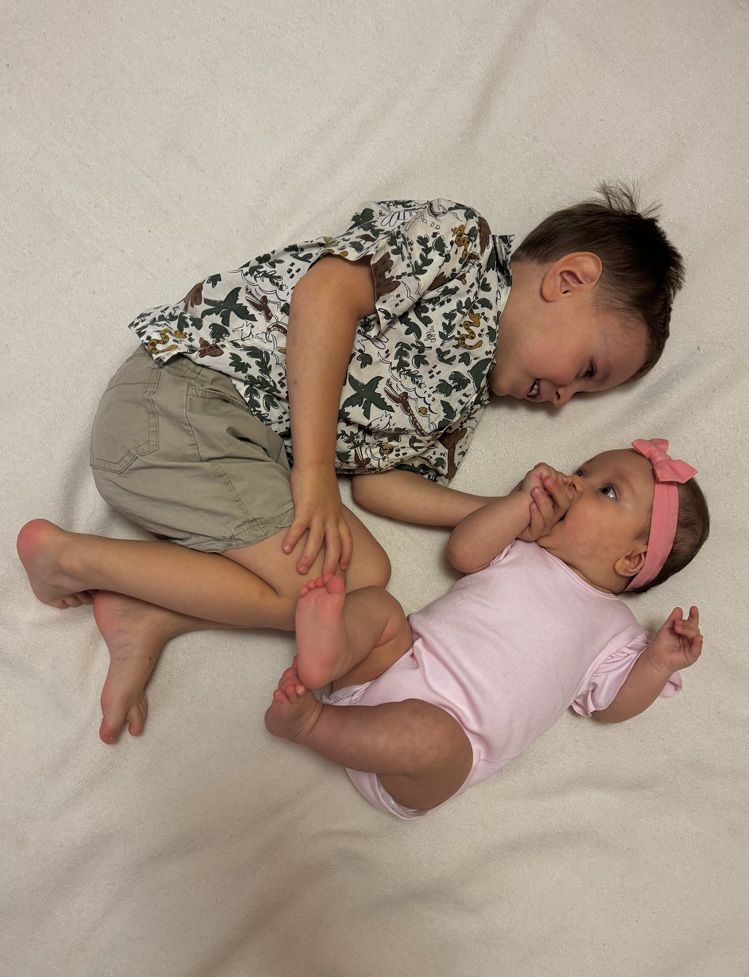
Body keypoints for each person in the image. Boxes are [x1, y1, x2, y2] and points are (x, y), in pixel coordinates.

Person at [17, 187, 685, 744]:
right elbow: (326, 294)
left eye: (582, 395)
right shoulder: (461, 248)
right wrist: (312, 473)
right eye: (586, 370)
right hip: (185, 397)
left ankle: (152, 611)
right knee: (322, 595)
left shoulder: (458, 410)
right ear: (568, 280)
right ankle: (72, 560)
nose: (563, 399)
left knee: (363, 581)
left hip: (228, 445)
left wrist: (513, 513)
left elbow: (381, 487)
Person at [265, 439, 709, 819]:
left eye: (607, 491)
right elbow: (463, 552)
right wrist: (522, 504)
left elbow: (610, 705)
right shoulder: (521, 545)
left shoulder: (615, 629)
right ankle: (331, 654)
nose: (576, 483)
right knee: (381, 608)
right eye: (581, 471)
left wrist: (657, 662)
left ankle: (312, 723)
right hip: (394, 662)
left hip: (446, 749)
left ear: (631, 559)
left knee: (433, 738)